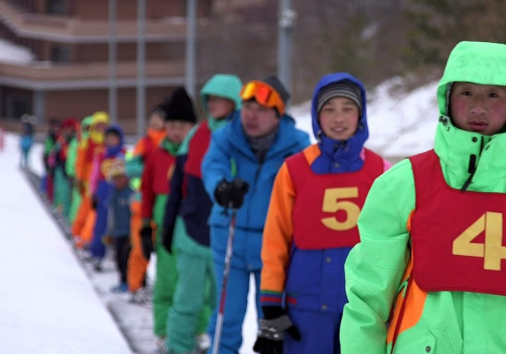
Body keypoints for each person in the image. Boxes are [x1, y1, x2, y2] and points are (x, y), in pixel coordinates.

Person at [339, 41, 506, 354]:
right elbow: (367, 298)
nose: (479, 106)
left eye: (493, 94)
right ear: (448, 100)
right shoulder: (403, 185)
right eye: (467, 92)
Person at [255, 73, 391, 354]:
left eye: (347, 109)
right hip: (304, 309)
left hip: (362, 309)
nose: (338, 118)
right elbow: (275, 239)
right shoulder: (294, 170)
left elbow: (394, 244)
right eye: (329, 110)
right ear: (317, 116)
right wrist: (270, 305)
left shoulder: (381, 171)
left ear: (360, 114)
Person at [201, 75, 310, 354]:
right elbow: (213, 165)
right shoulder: (226, 135)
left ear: (278, 115)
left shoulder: (297, 145)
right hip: (229, 235)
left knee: (271, 320)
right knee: (227, 315)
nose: (251, 116)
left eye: (261, 110)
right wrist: (221, 188)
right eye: (247, 108)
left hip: (273, 244)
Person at [162, 74, 242, 354]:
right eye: (211, 98)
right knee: (186, 302)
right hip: (192, 233)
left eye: (223, 98)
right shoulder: (197, 134)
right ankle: (178, 349)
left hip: (229, 236)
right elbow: (177, 186)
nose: (215, 104)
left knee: (224, 309)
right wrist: (168, 225)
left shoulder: (245, 134)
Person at [138, 88, 197, 352]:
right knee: (166, 282)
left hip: (195, 227)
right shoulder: (156, 154)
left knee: (199, 285)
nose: (176, 131)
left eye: (182, 126)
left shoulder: (200, 153)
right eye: (172, 125)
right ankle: (163, 332)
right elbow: (147, 191)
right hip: (166, 228)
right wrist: (145, 225)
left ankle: (197, 331)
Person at [127, 103, 167, 303]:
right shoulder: (144, 144)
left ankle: (160, 289)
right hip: (142, 205)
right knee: (140, 249)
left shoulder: (172, 142)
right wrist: (147, 169)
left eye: (159, 118)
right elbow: (130, 168)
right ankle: (135, 287)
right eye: (152, 118)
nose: (155, 121)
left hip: (165, 205)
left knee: (164, 253)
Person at [89, 124, 126, 270]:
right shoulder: (101, 155)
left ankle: (119, 256)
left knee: (119, 225)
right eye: (108, 138)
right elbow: (95, 175)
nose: (111, 141)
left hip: (119, 192)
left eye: (114, 138)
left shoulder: (123, 154)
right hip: (104, 192)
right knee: (101, 225)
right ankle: (98, 254)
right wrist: (93, 192)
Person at [72, 112, 109, 248]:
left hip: (103, 184)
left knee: (94, 214)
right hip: (89, 183)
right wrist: (79, 178)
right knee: (85, 211)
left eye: (103, 126)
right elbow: (80, 162)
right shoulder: (87, 142)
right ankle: (78, 233)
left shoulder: (108, 142)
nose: (101, 129)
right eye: (98, 125)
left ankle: (87, 238)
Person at [104, 157, 134, 293]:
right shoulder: (114, 196)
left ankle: (132, 282)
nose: (118, 181)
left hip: (129, 233)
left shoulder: (131, 195)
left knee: (129, 259)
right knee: (119, 259)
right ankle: (123, 281)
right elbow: (111, 216)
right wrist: (109, 232)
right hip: (118, 232)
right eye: (115, 178)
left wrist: (134, 234)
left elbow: (134, 216)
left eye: (121, 177)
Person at [66, 116, 92, 224]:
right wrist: (72, 173)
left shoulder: (95, 143)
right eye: (87, 128)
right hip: (80, 178)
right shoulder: (77, 142)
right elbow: (72, 159)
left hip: (90, 180)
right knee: (78, 204)